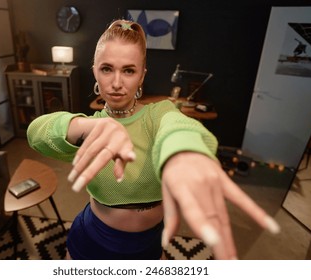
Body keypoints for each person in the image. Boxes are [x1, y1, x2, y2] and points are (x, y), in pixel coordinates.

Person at [27, 19, 280, 260]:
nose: (116, 83)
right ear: (95, 71)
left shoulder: (159, 113)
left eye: (128, 70)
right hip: (94, 237)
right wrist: (83, 126)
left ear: (142, 75)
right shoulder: (89, 128)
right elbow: (36, 133)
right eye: (107, 69)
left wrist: (184, 153)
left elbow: (178, 128)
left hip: (149, 241)